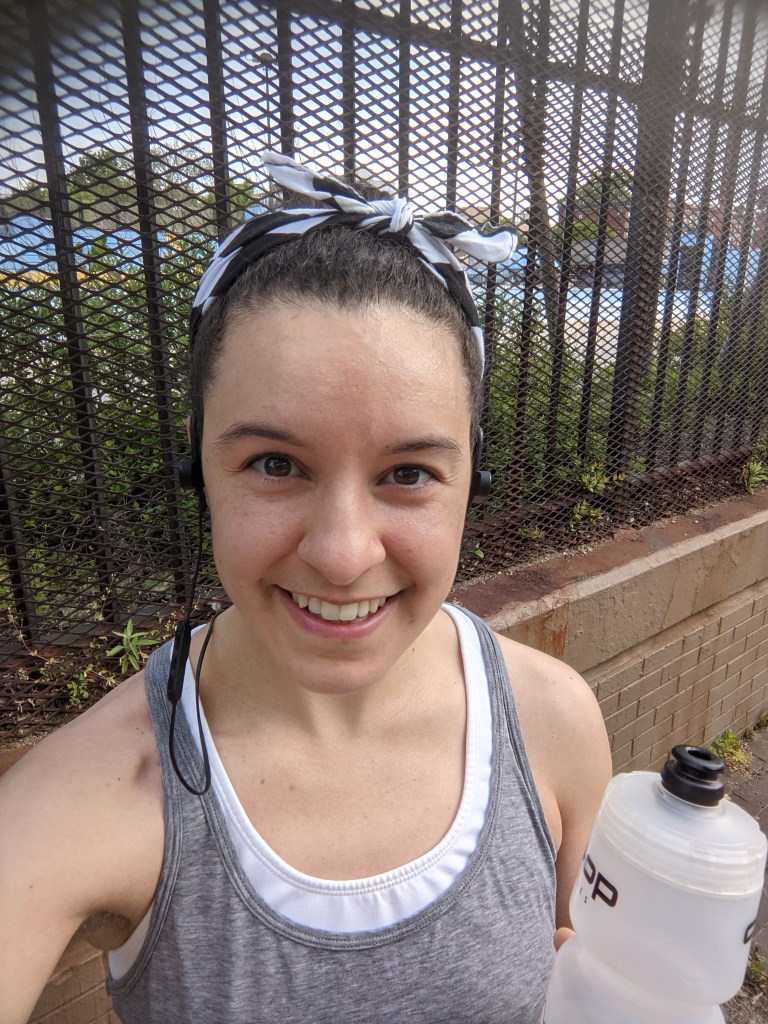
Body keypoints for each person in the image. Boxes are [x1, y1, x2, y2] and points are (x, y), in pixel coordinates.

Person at [0, 151, 612, 1023]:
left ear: (471, 477)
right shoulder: (84, 799)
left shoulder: (554, 724)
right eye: (276, 463)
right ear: (198, 467)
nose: (340, 552)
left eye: (408, 473)